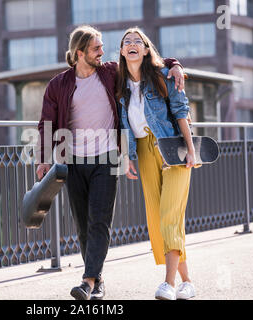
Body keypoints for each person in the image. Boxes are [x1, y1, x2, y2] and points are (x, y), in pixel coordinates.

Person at [36, 25, 185, 300]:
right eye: (96, 48)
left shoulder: (109, 73)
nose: (102, 52)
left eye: (103, 47)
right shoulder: (59, 84)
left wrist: (174, 65)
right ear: (80, 53)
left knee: (100, 221)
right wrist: (44, 158)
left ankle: (88, 280)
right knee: (83, 224)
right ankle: (97, 278)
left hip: (108, 157)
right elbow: (46, 122)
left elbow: (143, 61)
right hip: (73, 160)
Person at [117, 27, 196, 300]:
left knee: (169, 218)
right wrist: (127, 158)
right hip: (142, 150)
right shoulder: (120, 87)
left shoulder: (163, 76)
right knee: (156, 220)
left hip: (172, 147)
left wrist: (191, 148)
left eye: (138, 41)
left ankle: (169, 284)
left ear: (147, 50)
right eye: (127, 42)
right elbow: (124, 126)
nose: (132, 44)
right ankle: (188, 282)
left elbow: (181, 110)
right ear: (122, 51)